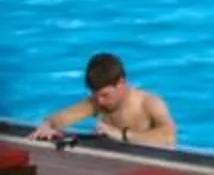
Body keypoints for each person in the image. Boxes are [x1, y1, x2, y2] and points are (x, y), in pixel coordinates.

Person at [29, 54, 175, 149]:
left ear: (121, 83)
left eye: (105, 95)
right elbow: (62, 118)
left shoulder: (149, 103)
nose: (100, 101)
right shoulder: (98, 102)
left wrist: (121, 135)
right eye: (95, 95)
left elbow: (169, 137)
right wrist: (47, 125)